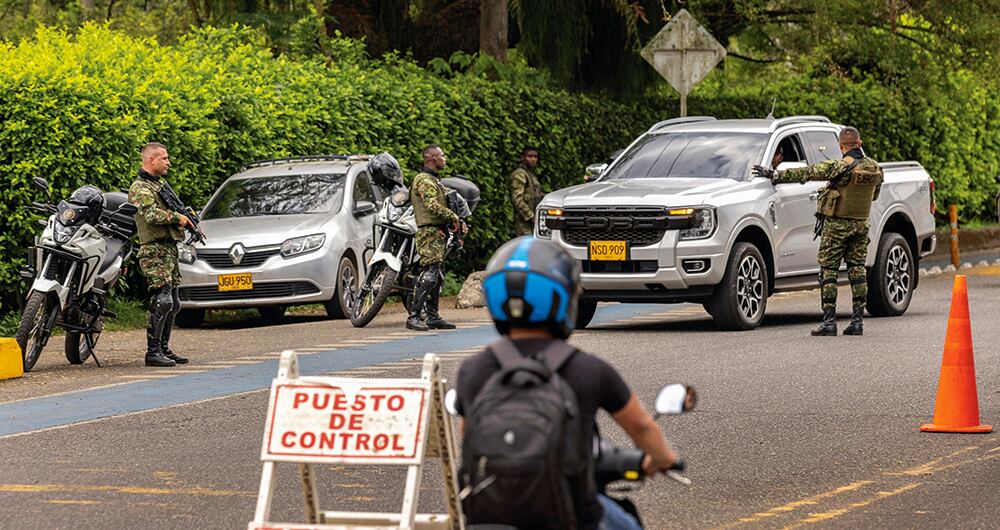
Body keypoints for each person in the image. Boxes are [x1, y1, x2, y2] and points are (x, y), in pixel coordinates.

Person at [454, 236, 681, 530]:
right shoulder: (589, 369)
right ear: (563, 300)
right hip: (574, 517)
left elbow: (469, 437)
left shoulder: (473, 370)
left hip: (491, 516)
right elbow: (642, 428)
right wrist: (664, 459)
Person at [753, 127, 884, 336]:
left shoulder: (839, 166)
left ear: (841, 146)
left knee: (829, 271)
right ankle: (857, 322)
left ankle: (829, 322)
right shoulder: (875, 168)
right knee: (858, 270)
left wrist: (774, 174)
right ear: (860, 143)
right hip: (860, 225)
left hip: (837, 226)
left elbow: (808, 172)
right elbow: (874, 195)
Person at [129, 142, 195, 366]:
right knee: (162, 299)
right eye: (164, 158)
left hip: (168, 249)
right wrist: (178, 218)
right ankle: (153, 352)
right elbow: (151, 215)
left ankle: (164, 349)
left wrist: (187, 217)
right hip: (154, 250)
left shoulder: (158, 185)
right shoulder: (140, 188)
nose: (168, 162)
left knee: (173, 301)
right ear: (151, 160)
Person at [407, 145, 464, 331]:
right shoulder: (424, 180)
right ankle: (414, 316)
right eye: (442, 155)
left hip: (437, 231)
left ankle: (433, 317)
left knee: (437, 276)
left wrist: (458, 221)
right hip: (429, 232)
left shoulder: (434, 180)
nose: (444, 159)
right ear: (432, 158)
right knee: (430, 274)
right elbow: (431, 205)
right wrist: (453, 217)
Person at [507, 146, 544, 236]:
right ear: (522, 157)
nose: (533, 159)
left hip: (531, 221)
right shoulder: (520, 174)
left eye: (535, 157)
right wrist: (531, 216)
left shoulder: (530, 174)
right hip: (523, 222)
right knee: (525, 243)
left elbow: (535, 194)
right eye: (529, 156)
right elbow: (517, 199)